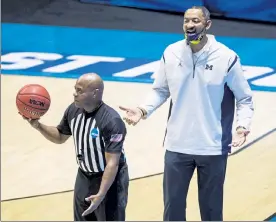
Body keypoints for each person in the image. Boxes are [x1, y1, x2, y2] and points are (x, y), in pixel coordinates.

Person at [119, 6, 254, 221]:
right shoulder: (171, 53)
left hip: (212, 147)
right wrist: (143, 110)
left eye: (196, 21)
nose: (190, 25)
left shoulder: (227, 57)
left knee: (211, 212)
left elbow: (245, 98)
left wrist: (242, 126)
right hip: (177, 145)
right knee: (172, 211)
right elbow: (160, 90)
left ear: (208, 24)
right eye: (186, 21)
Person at [20, 73, 129, 221]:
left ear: (95, 93)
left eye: (79, 90)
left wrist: (101, 194)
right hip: (84, 175)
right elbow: (59, 136)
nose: (74, 94)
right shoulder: (73, 110)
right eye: (75, 89)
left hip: (110, 180)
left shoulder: (112, 121)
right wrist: (38, 126)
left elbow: (112, 163)